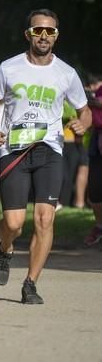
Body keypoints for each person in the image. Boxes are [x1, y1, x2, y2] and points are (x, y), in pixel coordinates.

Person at [0, 9, 91, 304]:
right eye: (38, 31)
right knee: (15, 222)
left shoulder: (66, 73)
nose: (43, 36)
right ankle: (4, 248)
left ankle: (30, 283)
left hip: (50, 150)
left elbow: (83, 110)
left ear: (56, 36)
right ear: (28, 35)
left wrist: (83, 122)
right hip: (15, 150)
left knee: (45, 219)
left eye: (50, 32)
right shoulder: (9, 68)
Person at [83, 74, 102, 246]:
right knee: (95, 190)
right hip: (97, 143)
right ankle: (99, 225)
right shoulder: (96, 92)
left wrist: (95, 102)